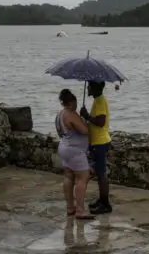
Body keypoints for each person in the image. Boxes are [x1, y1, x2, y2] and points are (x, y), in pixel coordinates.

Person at [55, 89, 95, 219]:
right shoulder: (71, 114)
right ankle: (80, 210)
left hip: (64, 147)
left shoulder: (60, 114)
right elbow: (84, 131)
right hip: (75, 150)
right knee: (83, 177)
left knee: (68, 176)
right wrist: (85, 119)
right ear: (72, 102)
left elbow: (60, 133)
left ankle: (70, 207)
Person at [80, 81, 112, 214]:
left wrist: (87, 116)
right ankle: (102, 200)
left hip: (100, 142)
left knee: (101, 173)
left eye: (90, 86)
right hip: (98, 141)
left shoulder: (99, 101)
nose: (88, 88)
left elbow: (101, 121)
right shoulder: (98, 100)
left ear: (95, 87)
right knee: (99, 174)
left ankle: (105, 204)